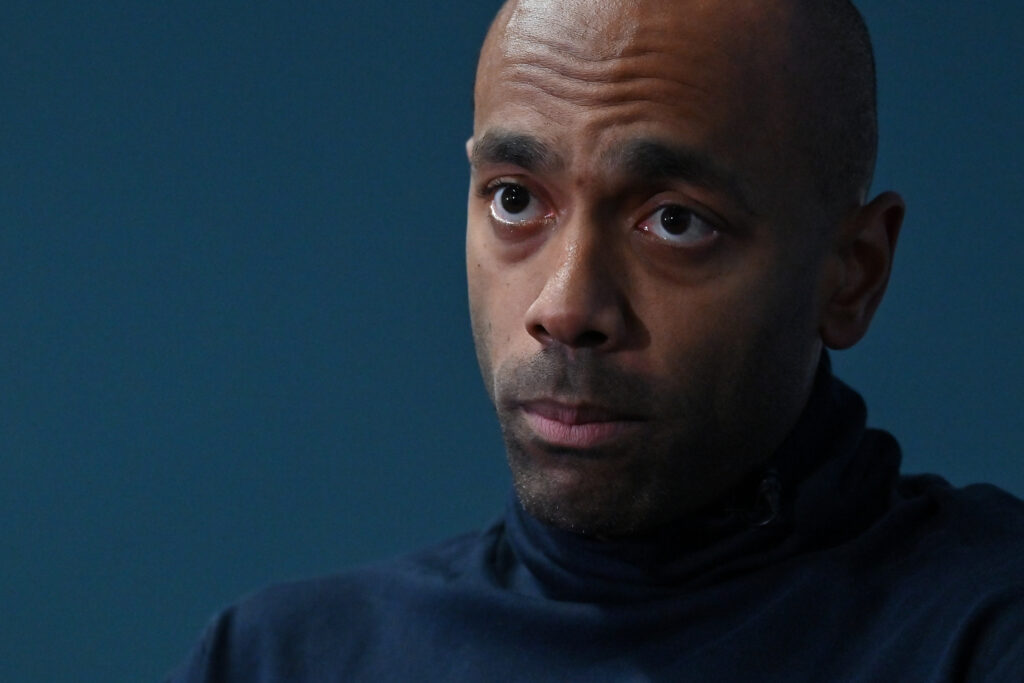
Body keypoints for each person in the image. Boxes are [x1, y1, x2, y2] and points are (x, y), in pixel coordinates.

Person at [167, 0, 1024, 680]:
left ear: (853, 273)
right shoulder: (278, 659)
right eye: (514, 199)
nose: (565, 306)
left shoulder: (985, 633)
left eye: (675, 221)